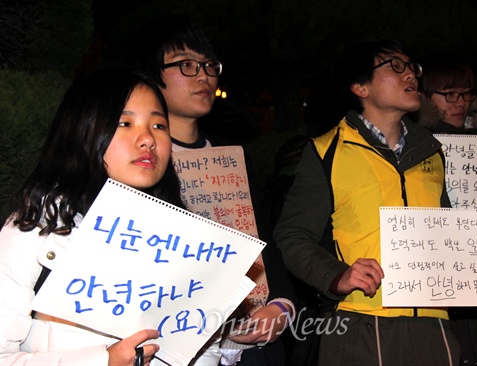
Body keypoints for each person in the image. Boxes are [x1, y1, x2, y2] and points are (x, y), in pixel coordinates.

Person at [273, 39, 477, 365]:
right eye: (395, 67)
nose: (411, 75)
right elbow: (292, 236)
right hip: (360, 324)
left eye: (412, 67)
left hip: (434, 326)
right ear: (360, 87)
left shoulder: (431, 150)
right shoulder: (326, 151)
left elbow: (444, 234)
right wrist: (337, 276)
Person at [125, 15, 296, 366]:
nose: (203, 76)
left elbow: (265, 239)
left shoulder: (233, 157)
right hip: (173, 344)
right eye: (186, 65)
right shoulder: (134, 161)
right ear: (148, 75)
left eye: (208, 65)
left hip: (254, 343)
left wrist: (282, 305)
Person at [0, 67, 184, 365]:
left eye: (159, 126)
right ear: (83, 130)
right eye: (125, 122)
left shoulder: (184, 237)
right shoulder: (37, 225)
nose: (148, 139)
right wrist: (101, 361)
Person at [415, 51, 477, 366]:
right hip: (433, 282)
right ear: (426, 97)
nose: (459, 101)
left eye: (465, 93)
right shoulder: (413, 148)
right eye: (449, 94)